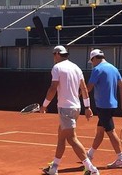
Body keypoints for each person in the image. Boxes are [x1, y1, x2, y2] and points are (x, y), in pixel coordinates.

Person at [40, 45, 100, 175]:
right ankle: (54, 168)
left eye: (53, 54)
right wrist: (87, 107)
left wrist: (44, 105)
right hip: (76, 108)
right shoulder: (76, 68)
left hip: (66, 109)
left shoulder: (57, 68)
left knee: (71, 138)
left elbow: (53, 88)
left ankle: (91, 169)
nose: (53, 57)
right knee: (61, 137)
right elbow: (83, 89)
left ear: (57, 54)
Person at [86, 49, 122, 169]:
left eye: (92, 61)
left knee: (111, 132)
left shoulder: (97, 69)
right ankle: (89, 154)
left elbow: (89, 87)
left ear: (95, 59)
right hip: (111, 106)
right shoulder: (114, 68)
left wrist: (77, 94)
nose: (92, 64)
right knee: (100, 131)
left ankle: (121, 159)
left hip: (103, 106)